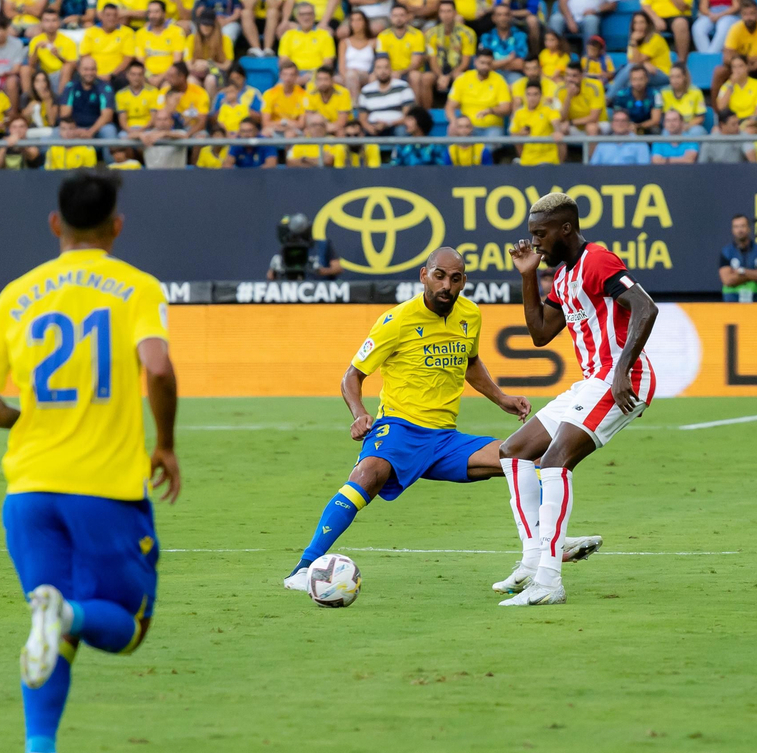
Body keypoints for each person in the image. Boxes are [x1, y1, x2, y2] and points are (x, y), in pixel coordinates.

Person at [0, 170, 179, 753]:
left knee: (47, 622)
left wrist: (20, 418)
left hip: (28, 493)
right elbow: (158, 368)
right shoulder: (135, 286)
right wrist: (164, 443)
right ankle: (67, 615)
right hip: (105, 490)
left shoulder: (18, 293)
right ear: (116, 226)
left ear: (55, 224)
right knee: (120, 625)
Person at [281, 247, 539, 590]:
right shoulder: (396, 320)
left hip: (445, 439)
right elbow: (352, 376)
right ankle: (303, 568)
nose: (447, 285)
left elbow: (471, 362)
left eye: (456, 278)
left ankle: (545, 546)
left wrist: (501, 398)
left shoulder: (470, 315)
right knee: (368, 475)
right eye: (440, 276)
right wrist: (359, 414)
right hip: (399, 428)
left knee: (519, 458)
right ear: (424, 275)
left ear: (464, 282)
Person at [494, 193, 657, 606]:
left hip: (622, 377)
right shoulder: (563, 275)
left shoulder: (598, 260)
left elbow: (645, 307)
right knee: (514, 452)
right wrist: (528, 275)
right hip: (591, 381)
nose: (534, 244)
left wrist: (621, 369)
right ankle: (535, 558)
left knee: (552, 462)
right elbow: (539, 333)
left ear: (565, 228)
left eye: (540, 235)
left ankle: (549, 581)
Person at [718, 213, 757, 302]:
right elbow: (727, 280)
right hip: (732, 300)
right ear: (732, 230)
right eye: (736, 227)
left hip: (756, 300)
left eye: (743, 226)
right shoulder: (726, 252)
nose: (740, 230)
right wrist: (752, 274)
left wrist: (741, 272)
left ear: (749, 228)